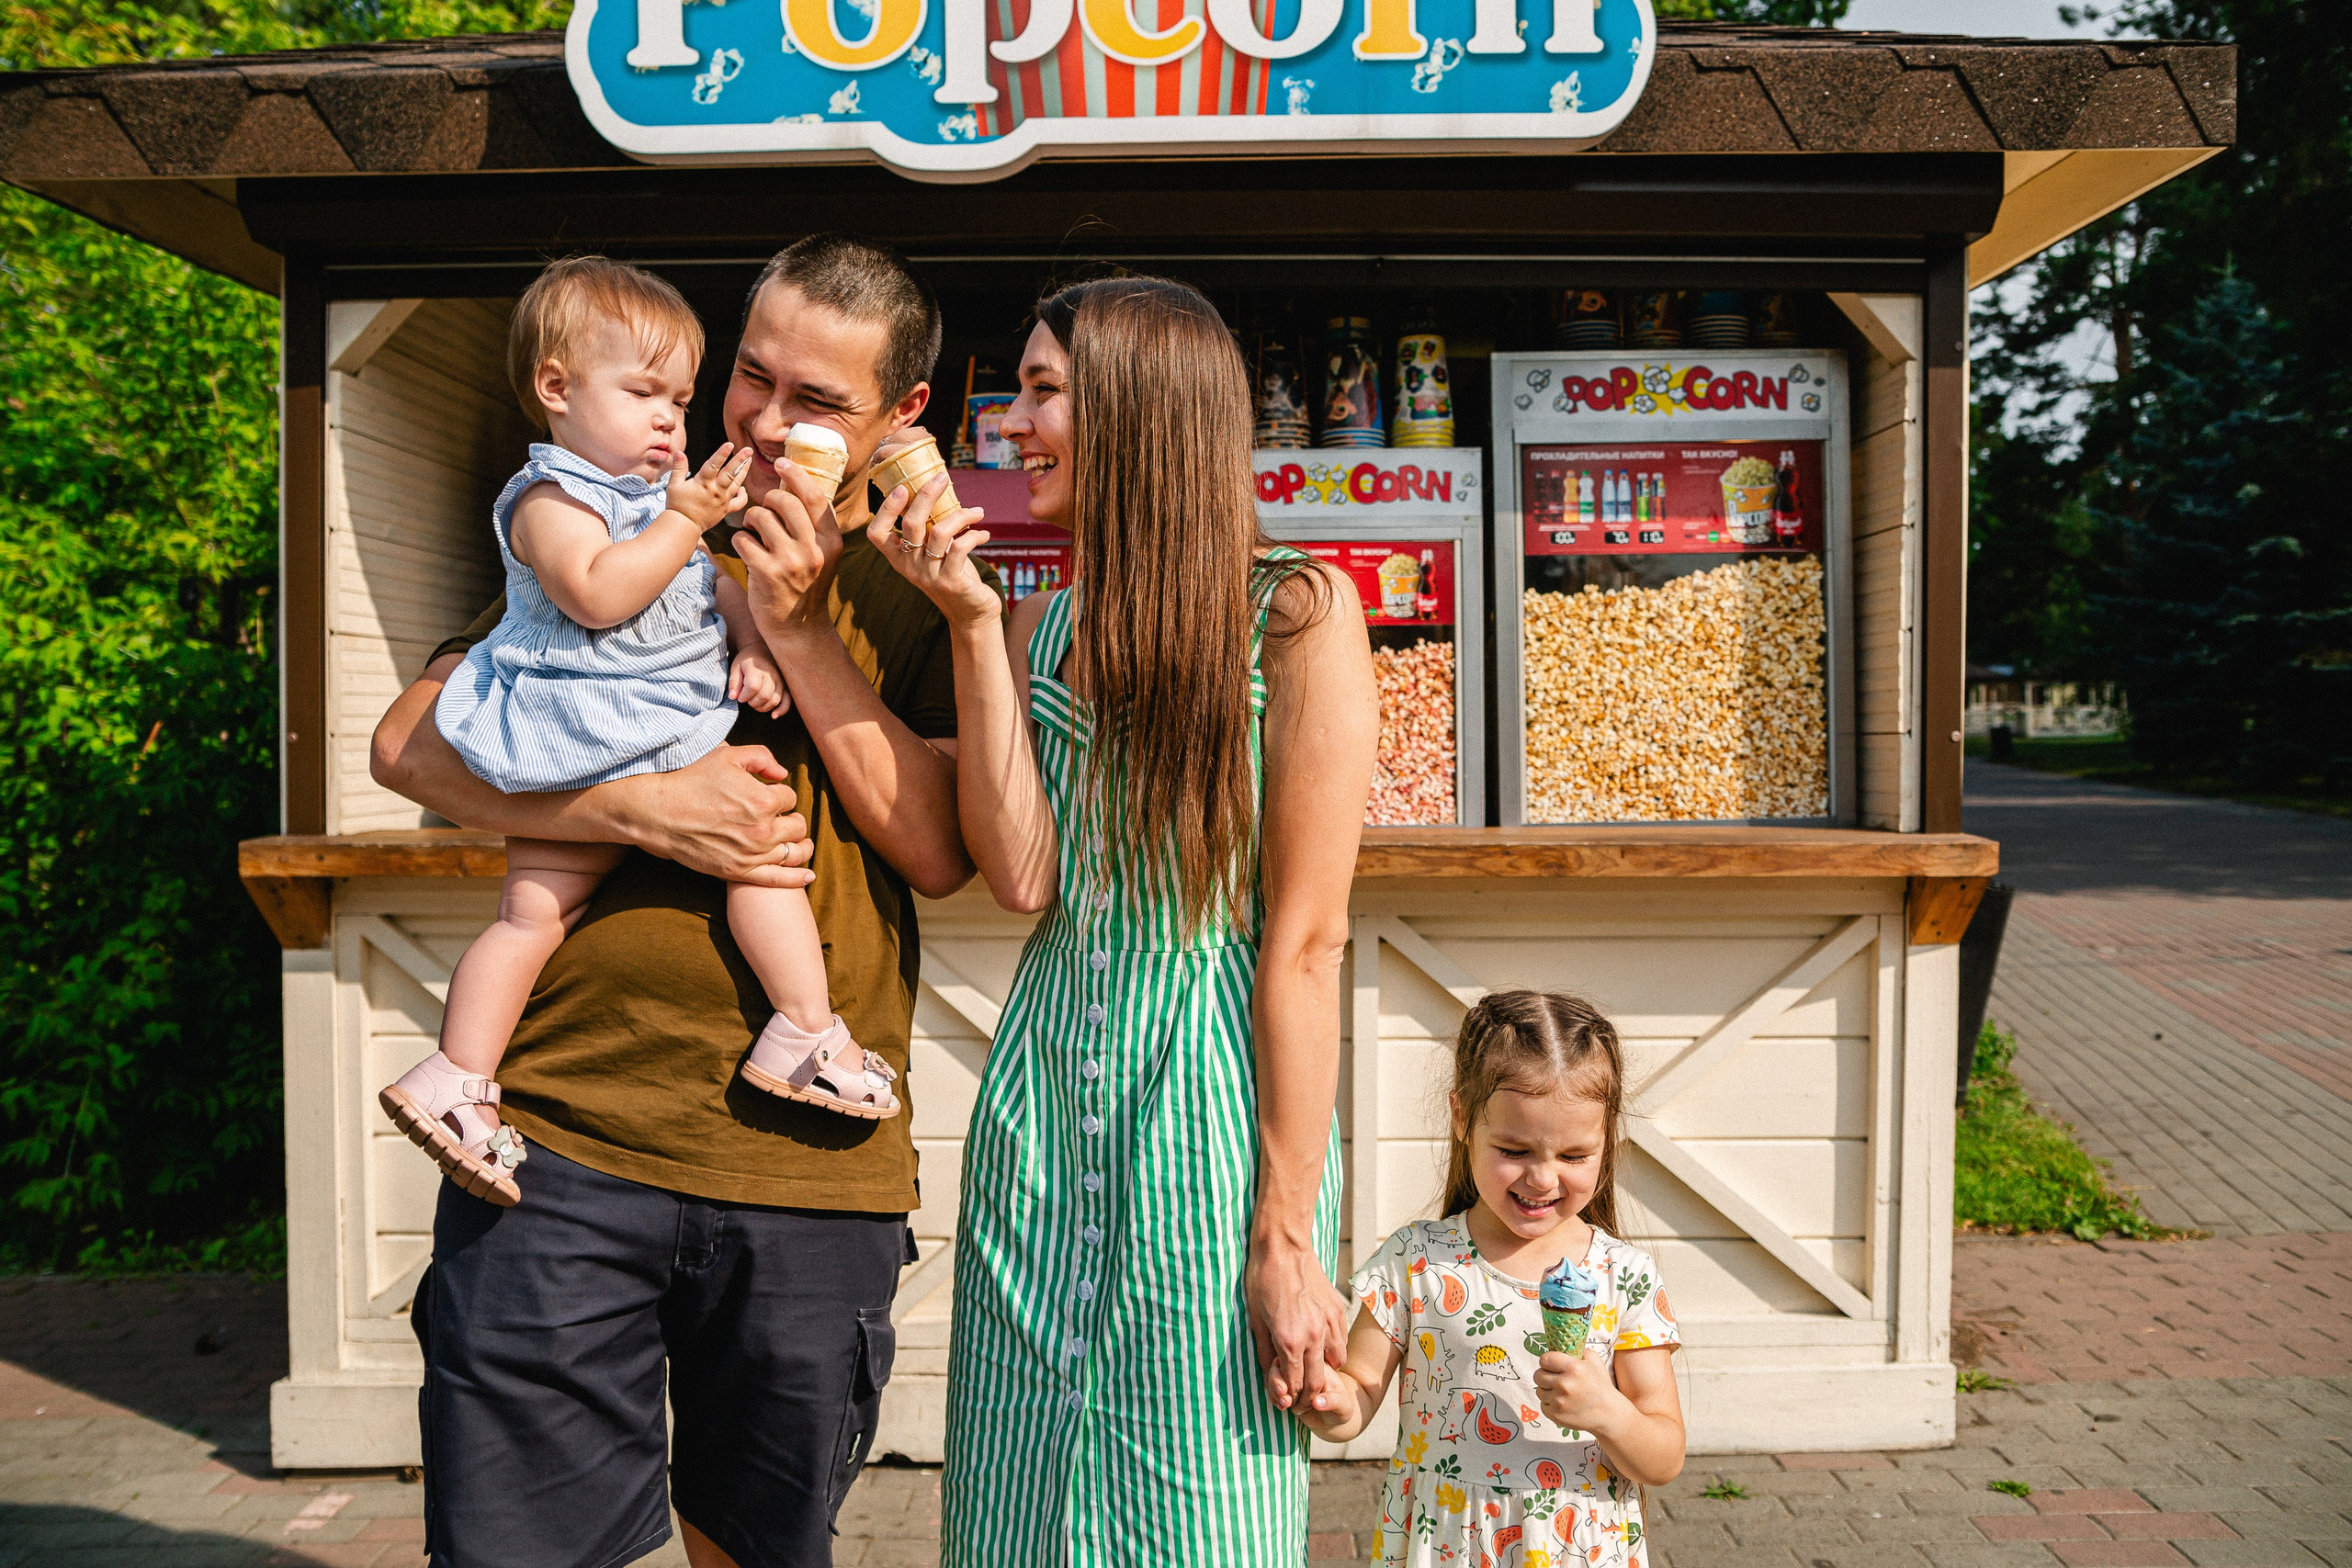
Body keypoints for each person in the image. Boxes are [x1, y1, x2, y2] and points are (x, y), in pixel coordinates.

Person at [368, 233, 978, 1568]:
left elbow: (941, 850)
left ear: (897, 420)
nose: (762, 419)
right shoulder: (614, 518)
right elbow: (411, 742)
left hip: (804, 1165)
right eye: (751, 376)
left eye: (817, 402)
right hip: (557, 1139)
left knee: (756, 1547)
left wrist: (799, 626)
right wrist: (628, 808)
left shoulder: (917, 585)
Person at [863, 276, 1379, 1563]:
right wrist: (975, 629)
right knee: (1017, 1503)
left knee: (1201, 1502)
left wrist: (1286, 1230)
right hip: (1037, 1100)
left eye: (1042, 392)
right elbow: (1026, 877)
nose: (1012, 424)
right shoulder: (1036, 627)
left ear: (1141, 411)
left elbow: (1306, 943)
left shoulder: (1297, 615)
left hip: (1200, 1098)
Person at [380, 256, 895, 1213]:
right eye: (644, 393)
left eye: (681, 400)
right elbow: (600, 591)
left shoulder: (665, 514)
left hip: (644, 722)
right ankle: (798, 1029)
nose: (670, 420)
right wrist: (689, 516)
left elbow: (713, 589)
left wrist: (755, 653)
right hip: (590, 728)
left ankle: (465, 1079)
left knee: (567, 907)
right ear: (556, 389)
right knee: (749, 864)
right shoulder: (549, 502)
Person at [1299, 990, 1687, 1568]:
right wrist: (1329, 1400)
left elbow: (1663, 1458)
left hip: (1575, 1545)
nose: (1542, 1177)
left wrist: (1609, 1411)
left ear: (1608, 1142)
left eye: (1575, 1156)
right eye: (1514, 1149)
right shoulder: (1417, 1262)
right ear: (1463, 1118)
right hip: (1446, 1541)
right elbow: (1358, 1398)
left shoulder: (1621, 1276)